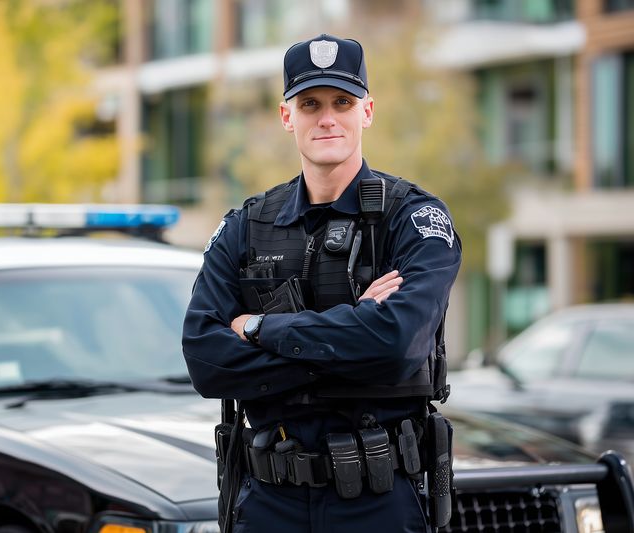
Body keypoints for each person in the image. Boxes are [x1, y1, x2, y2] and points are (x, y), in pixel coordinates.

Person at [182, 33, 462, 533]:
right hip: (269, 499)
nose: (327, 117)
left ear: (367, 112)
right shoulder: (246, 225)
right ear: (287, 116)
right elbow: (205, 359)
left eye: (342, 102)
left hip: (377, 502)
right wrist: (354, 339)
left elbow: (397, 342)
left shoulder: (413, 218)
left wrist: (260, 328)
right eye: (309, 103)